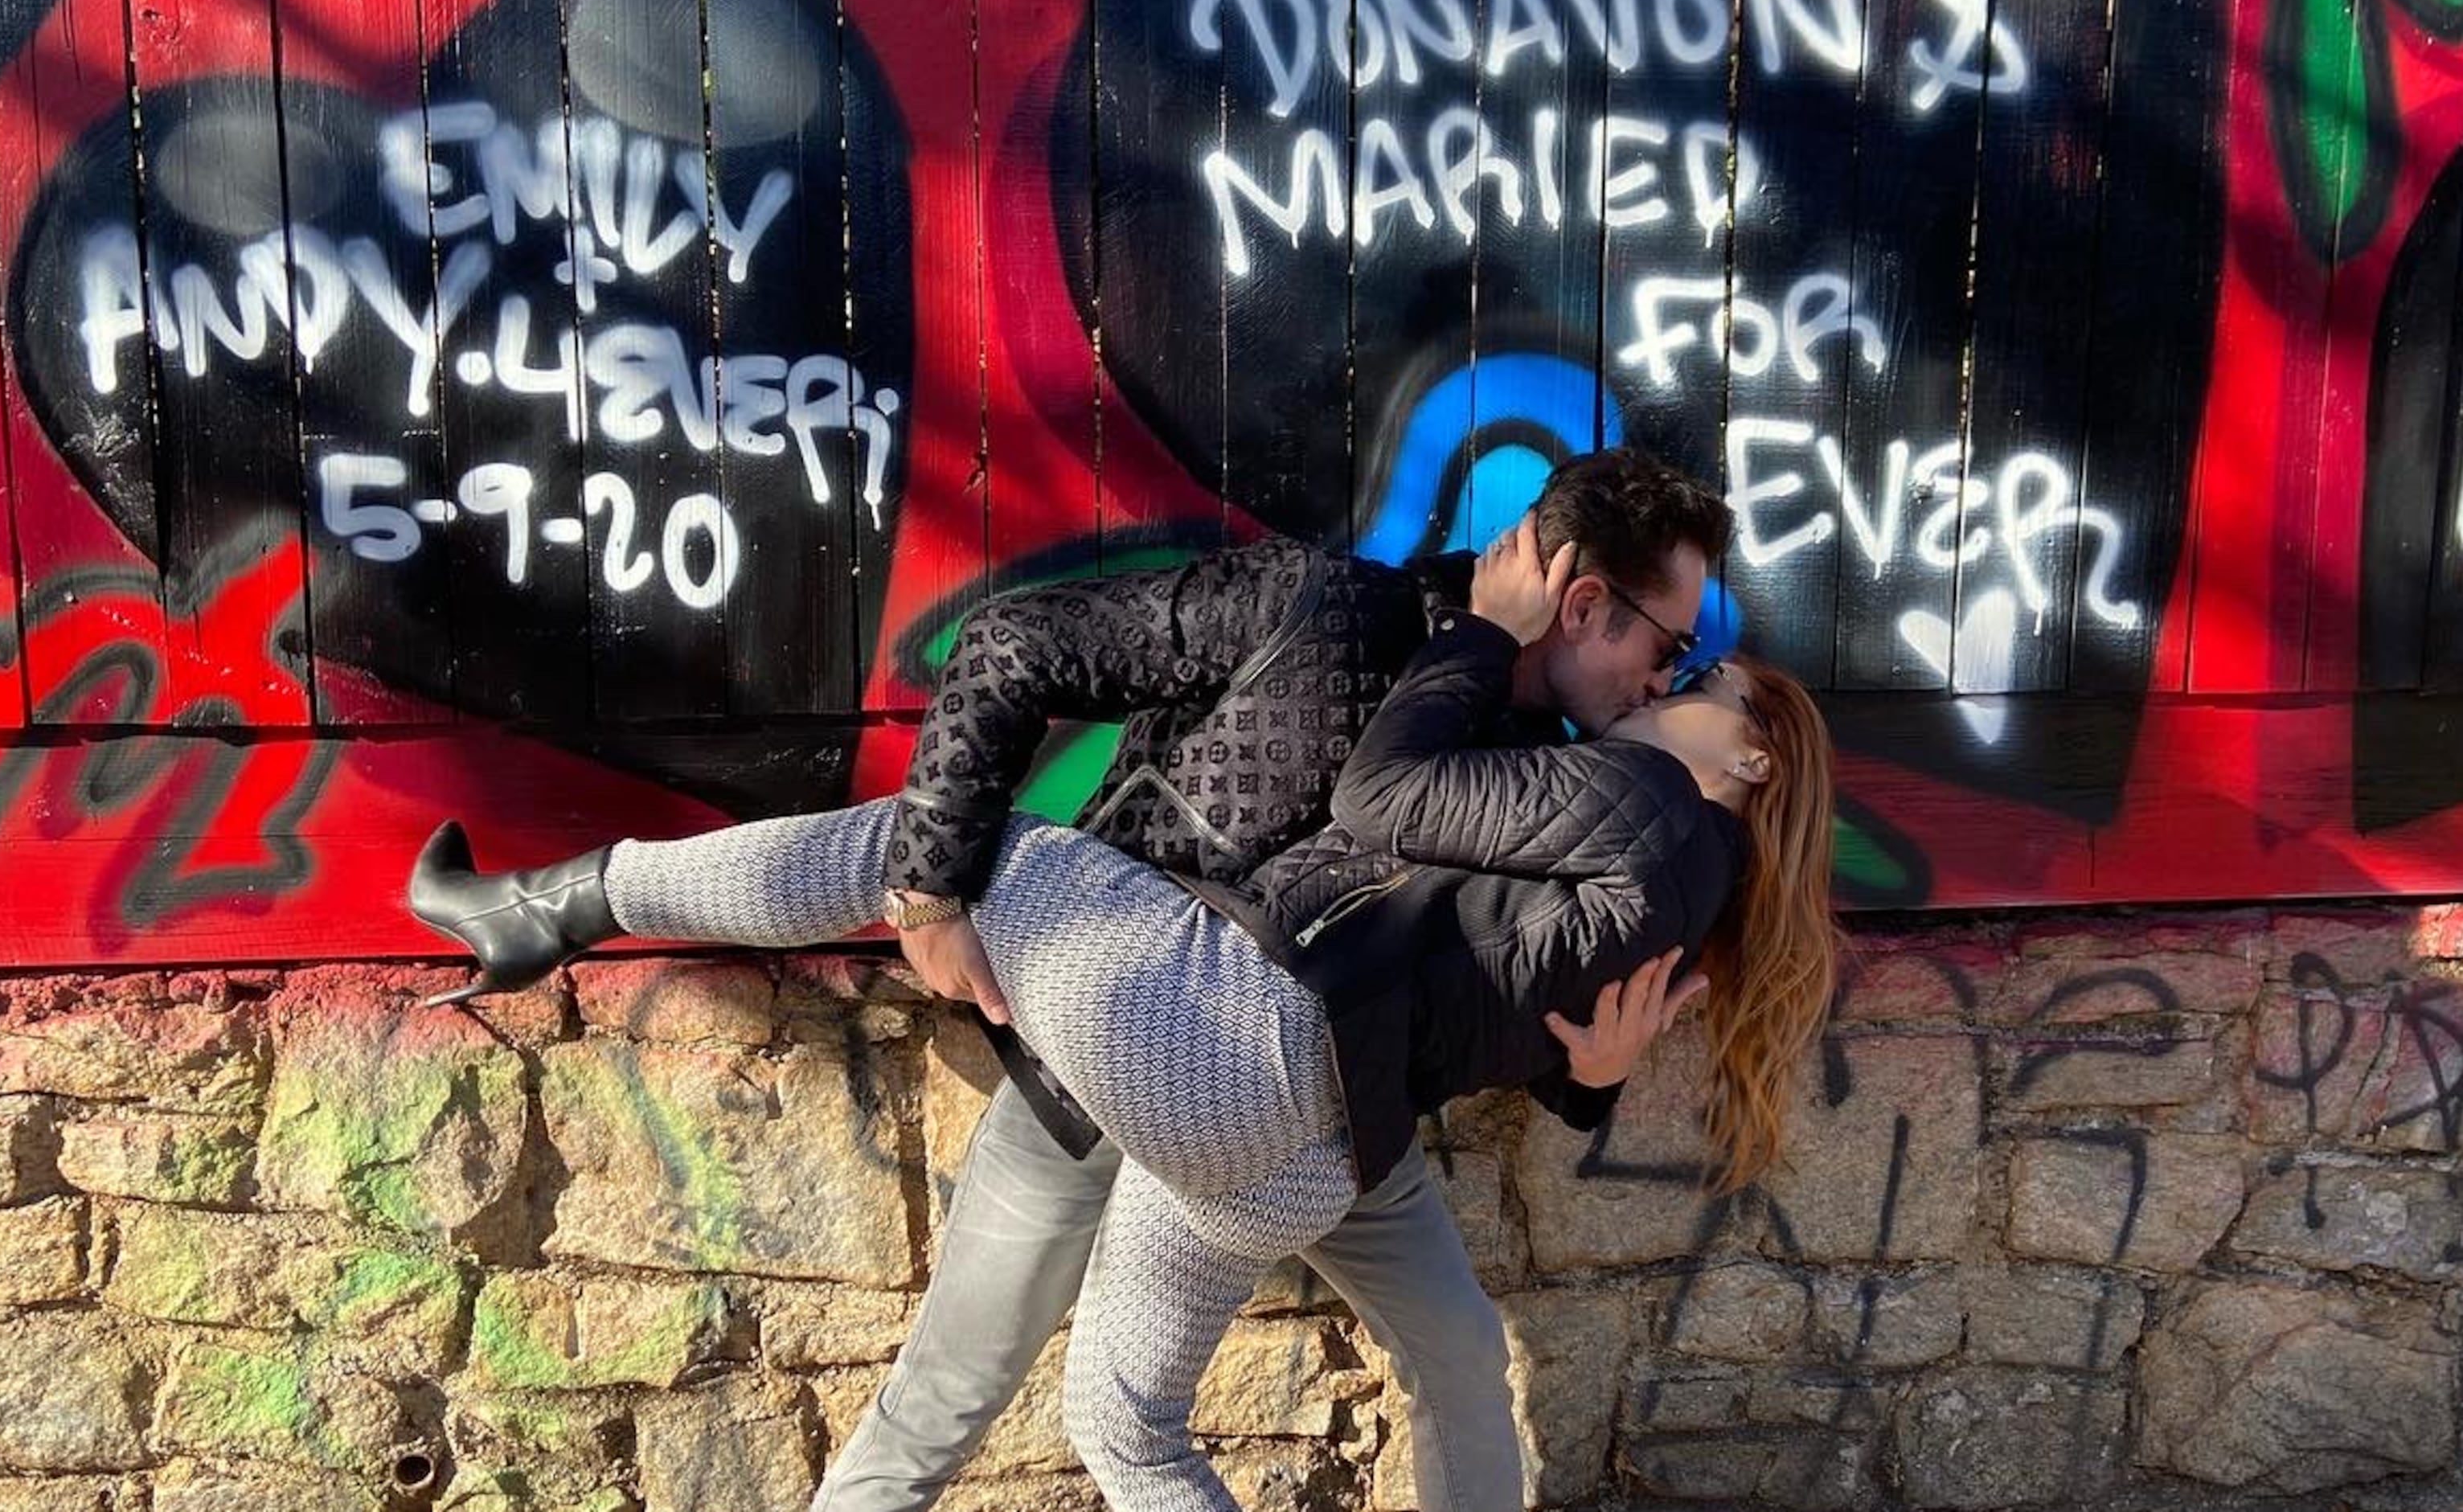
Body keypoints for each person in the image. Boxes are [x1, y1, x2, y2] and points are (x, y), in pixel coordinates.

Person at [407, 524, 1841, 1510]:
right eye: (1671, 641)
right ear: (1584, 601)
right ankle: (570, 901)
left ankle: (566, 901)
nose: (1668, 673)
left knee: (1453, 1355)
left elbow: (1510, 984)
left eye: (1690, 666)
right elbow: (1012, 647)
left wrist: (1596, 1076)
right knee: (962, 1397)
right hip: (1116, 1035)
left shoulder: (1579, 770)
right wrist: (932, 894)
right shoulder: (1331, 607)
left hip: (1312, 1101)